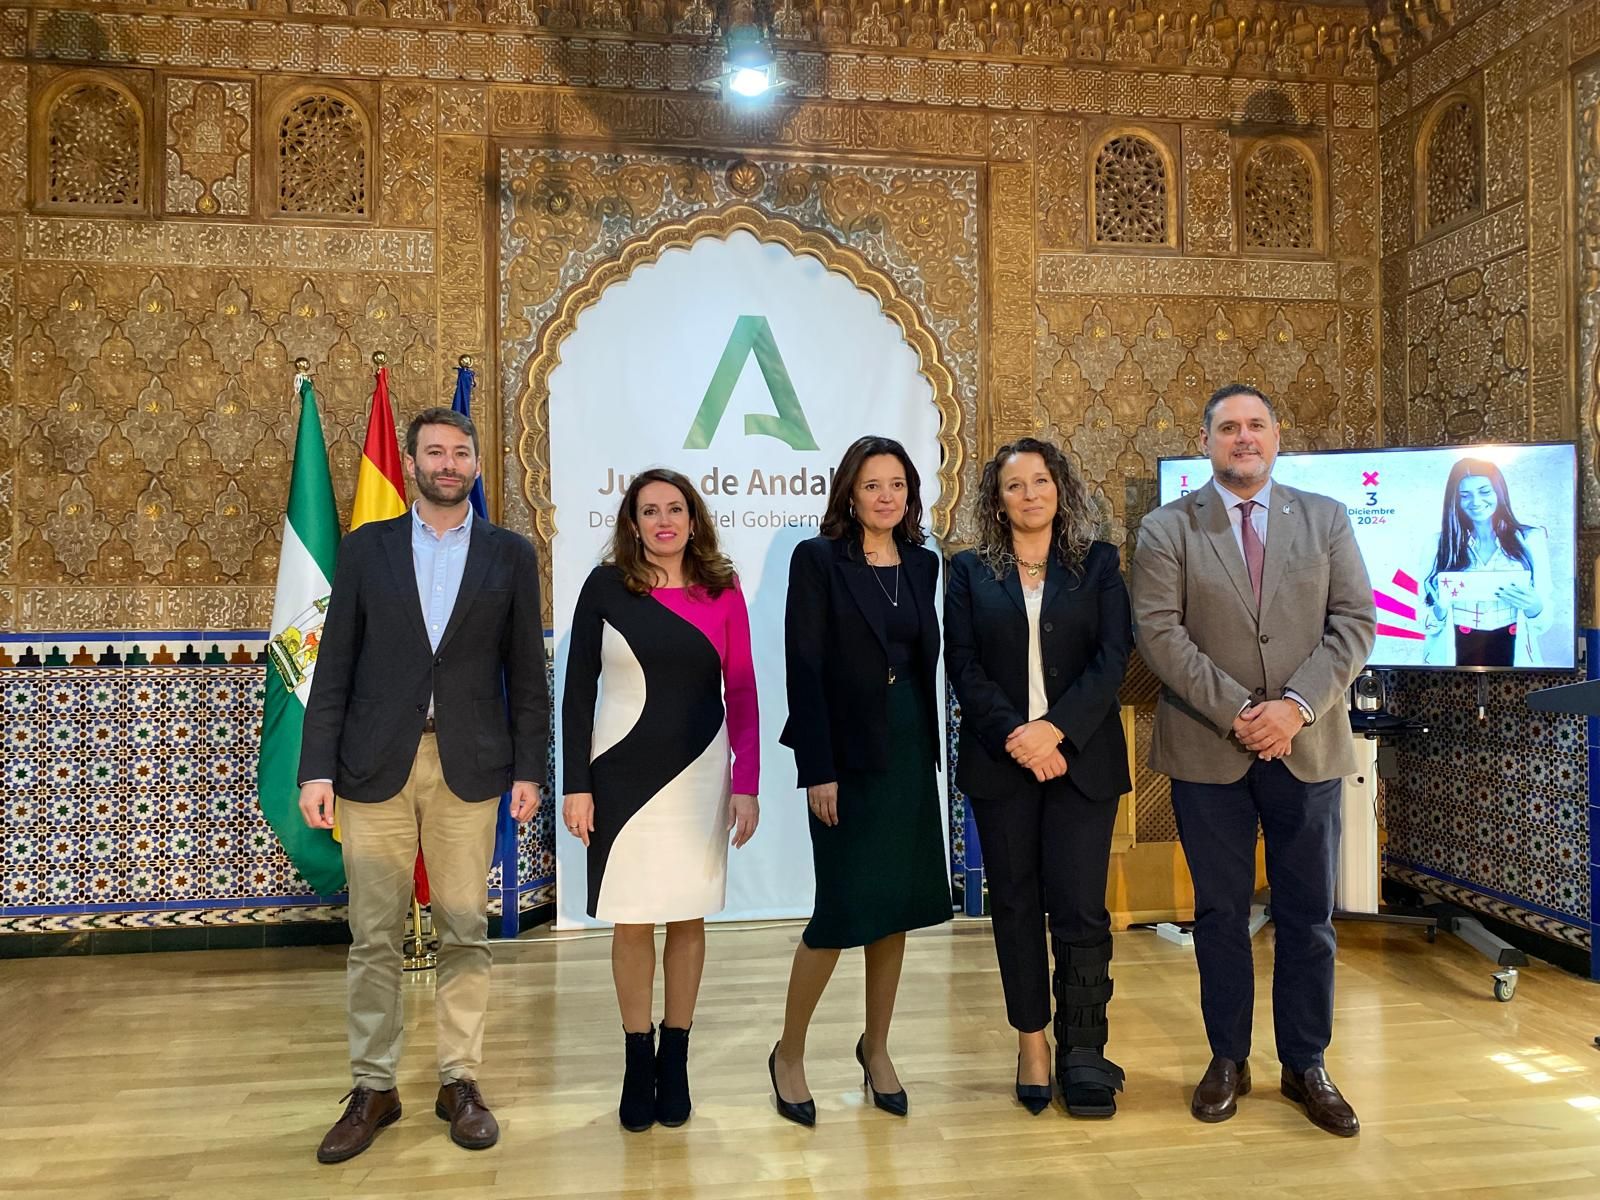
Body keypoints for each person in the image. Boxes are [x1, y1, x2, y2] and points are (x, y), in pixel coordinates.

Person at [298, 407, 548, 1162]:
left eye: (460, 452)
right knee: (373, 937)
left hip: (470, 766)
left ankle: (459, 1080)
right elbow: (334, 664)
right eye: (434, 452)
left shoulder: (510, 554)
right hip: (374, 766)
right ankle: (374, 1086)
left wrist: (530, 769)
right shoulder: (365, 549)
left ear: (476, 464)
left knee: (464, 929)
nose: (448, 463)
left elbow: (527, 677)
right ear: (410, 463)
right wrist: (317, 766)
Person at [1130, 383, 1375, 1138]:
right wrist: (1242, 711)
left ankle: (1307, 1063)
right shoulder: (1167, 527)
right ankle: (1227, 1059)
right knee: (1219, 914)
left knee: (1307, 917)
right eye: (1229, 427)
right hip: (1210, 749)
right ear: (1205, 440)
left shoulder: (1327, 519)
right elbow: (1160, 634)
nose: (1244, 438)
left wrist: (1293, 708)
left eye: (1256, 425)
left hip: (1308, 746)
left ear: (1276, 437)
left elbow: (1355, 623)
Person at [562, 468, 760, 1133]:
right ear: (633, 523)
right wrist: (576, 785)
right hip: (618, 778)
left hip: (701, 775)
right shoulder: (603, 589)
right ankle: (635, 1056)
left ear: (693, 519)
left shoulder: (722, 591)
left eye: (675, 509)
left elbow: (745, 694)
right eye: (650, 511)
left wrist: (748, 784)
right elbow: (576, 694)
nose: (664, 521)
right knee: (632, 919)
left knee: (687, 916)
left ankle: (674, 1058)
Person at [944, 438, 1132, 1118]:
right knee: (1017, 904)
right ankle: (1032, 1043)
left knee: (1081, 906)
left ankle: (1084, 1050)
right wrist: (1020, 738)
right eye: (1014, 485)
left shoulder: (1099, 565)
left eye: (1041, 480)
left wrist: (1056, 730)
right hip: (1003, 763)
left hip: (1082, 760)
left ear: (1061, 488)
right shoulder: (968, 572)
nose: (1029, 494)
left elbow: (1113, 659)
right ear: (997, 499)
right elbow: (962, 664)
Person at [768, 435, 951, 1126]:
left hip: (906, 744)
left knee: (896, 905)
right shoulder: (817, 560)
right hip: (845, 752)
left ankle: (876, 1049)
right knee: (842, 911)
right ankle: (789, 1053)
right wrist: (818, 767)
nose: (886, 497)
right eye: (873, 485)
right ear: (850, 491)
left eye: (897, 485)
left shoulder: (923, 565)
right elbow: (803, 667)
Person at [1421, 457, 1553, 667]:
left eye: (1484, 491)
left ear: (1499, 492)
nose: (1476, 502)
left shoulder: (1530, 539)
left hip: (1513, 649)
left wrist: (1534, 606)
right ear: (1455, 500)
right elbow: (1425, 622)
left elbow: (1544, 622)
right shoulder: (1439, 544)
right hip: (1456, 653)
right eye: (1465, 495)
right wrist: (1439, 608)